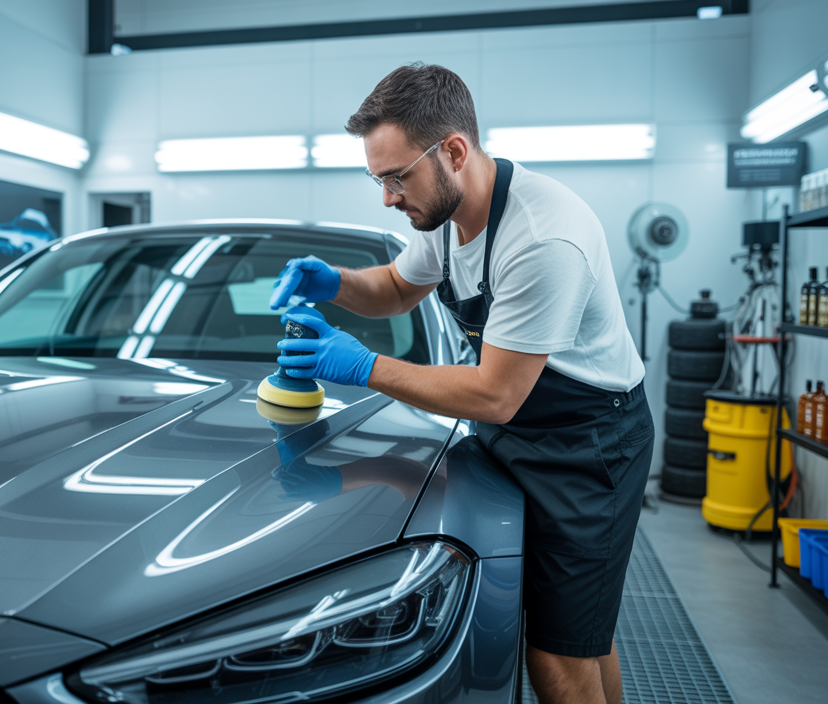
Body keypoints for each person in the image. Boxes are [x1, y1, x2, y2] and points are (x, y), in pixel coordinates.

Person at [268, 63, 653, 704]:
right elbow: (394, 288)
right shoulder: (447, 218)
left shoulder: (542, 236)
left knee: (557, 657)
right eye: (378, 179)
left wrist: (363, 367)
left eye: (396, 177)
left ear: (453, 152)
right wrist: (332, 281)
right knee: (583, 632)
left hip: (589, 448)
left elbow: (496, 394)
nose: (388, 197)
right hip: (520, 432)